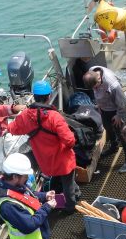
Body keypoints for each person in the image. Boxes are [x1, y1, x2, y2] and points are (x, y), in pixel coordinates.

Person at [5, 80, 80, 213]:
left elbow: (13, 128)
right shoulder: (54, 117)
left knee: (59, 180)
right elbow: (69, 141)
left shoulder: (25, 116)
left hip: (45, 162)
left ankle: (63, 197)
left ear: (34, 96)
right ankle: (70, 207)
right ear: (49, 96)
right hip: (63, 160)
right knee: (68, 183)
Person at [82, 66, 126, 173]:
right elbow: (95, 91)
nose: (94, 90)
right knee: (107, 127)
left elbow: (122, 102)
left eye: (95, 87)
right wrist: (99, 105)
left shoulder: (112, 84)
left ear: (100, 79)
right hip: (104, 108)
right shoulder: (93, 72)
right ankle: (114, 147)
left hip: (116, 110)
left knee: (121, 133)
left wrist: (119, 115)